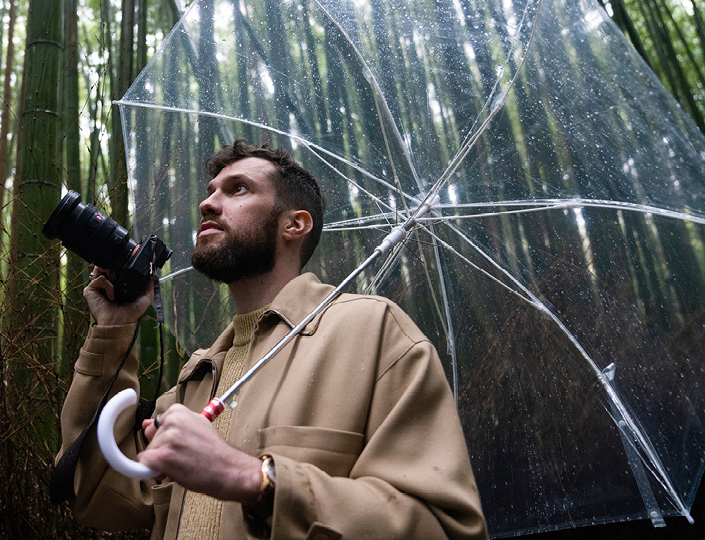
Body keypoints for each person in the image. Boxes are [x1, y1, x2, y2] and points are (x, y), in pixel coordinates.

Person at [56, 140, 488, 539]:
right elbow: (99, 495)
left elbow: (443, 527)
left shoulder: (372, 334)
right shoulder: (199, 377)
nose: (208, 202)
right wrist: (115, 328)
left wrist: (255, 480)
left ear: (295, 224)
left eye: (238, 189)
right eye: (210, 191)